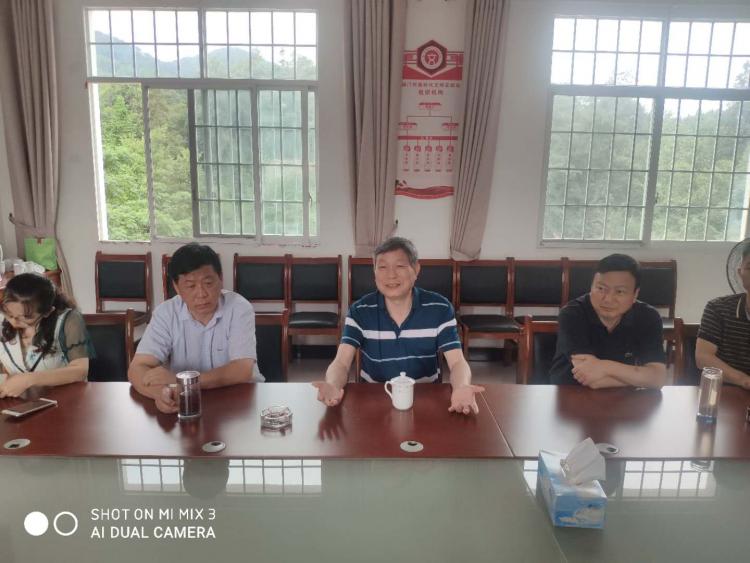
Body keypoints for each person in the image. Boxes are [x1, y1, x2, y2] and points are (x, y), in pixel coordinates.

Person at [312, 237, 484, 415]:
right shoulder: (359, 311)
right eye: (382, 267)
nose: (391, 275)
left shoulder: (440, 308)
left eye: (400, 266)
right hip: (373, 402)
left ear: (416, 269)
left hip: (425, 401)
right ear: (374, 272)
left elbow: (457, 362)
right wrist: (332, 384)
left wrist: (461, 386)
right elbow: (341, 362)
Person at [128, 243, 262, 413]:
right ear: (176, 287)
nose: (202, 294)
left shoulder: (239, 308)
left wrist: (182, 381)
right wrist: (161, 394)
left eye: (208, 283)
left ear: (220, 279)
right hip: (185, 403)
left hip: (239, 401)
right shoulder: (166, 313)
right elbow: (137, 368)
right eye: (190, 286)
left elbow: (242, 370)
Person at [549, 254, 666, 388]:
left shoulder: (647, 317)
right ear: (591, 287)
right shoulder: (572, 314)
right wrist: (638, 378)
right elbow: (589, 377)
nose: (608, 299)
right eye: (601, 289)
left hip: (623, 397)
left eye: (620, 292)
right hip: (571, 393)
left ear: (635, 294)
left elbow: (658, 379)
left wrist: (604, 366)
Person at [0, 273, 92, 397]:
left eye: (26, 317)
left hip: (65, 400)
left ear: (47, 312)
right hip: (18, 402)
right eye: (9, 314)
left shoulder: (69, 320)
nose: (14, 322)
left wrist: (29, 379)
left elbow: (80, 370)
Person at [696, 241, 750, 389]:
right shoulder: (718, 308)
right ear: (740, 272)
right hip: (726, 392)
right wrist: (744, 380)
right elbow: (703, 358)